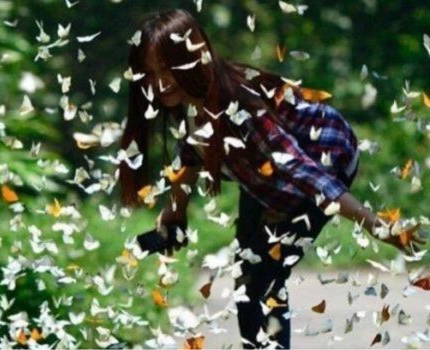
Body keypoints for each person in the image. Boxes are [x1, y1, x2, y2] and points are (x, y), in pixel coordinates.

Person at [117, 8, 426, 349]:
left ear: (195, 58)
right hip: (265, 179)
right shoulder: (186, 102)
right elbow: (191, 154)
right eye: (150, 72)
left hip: (323, 154)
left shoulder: (240, 104)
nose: (160, 83)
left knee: (263, 279)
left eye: (168, 69)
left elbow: (303, 170)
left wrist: (376, 225)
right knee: (248, 274)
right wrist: (175, 214)